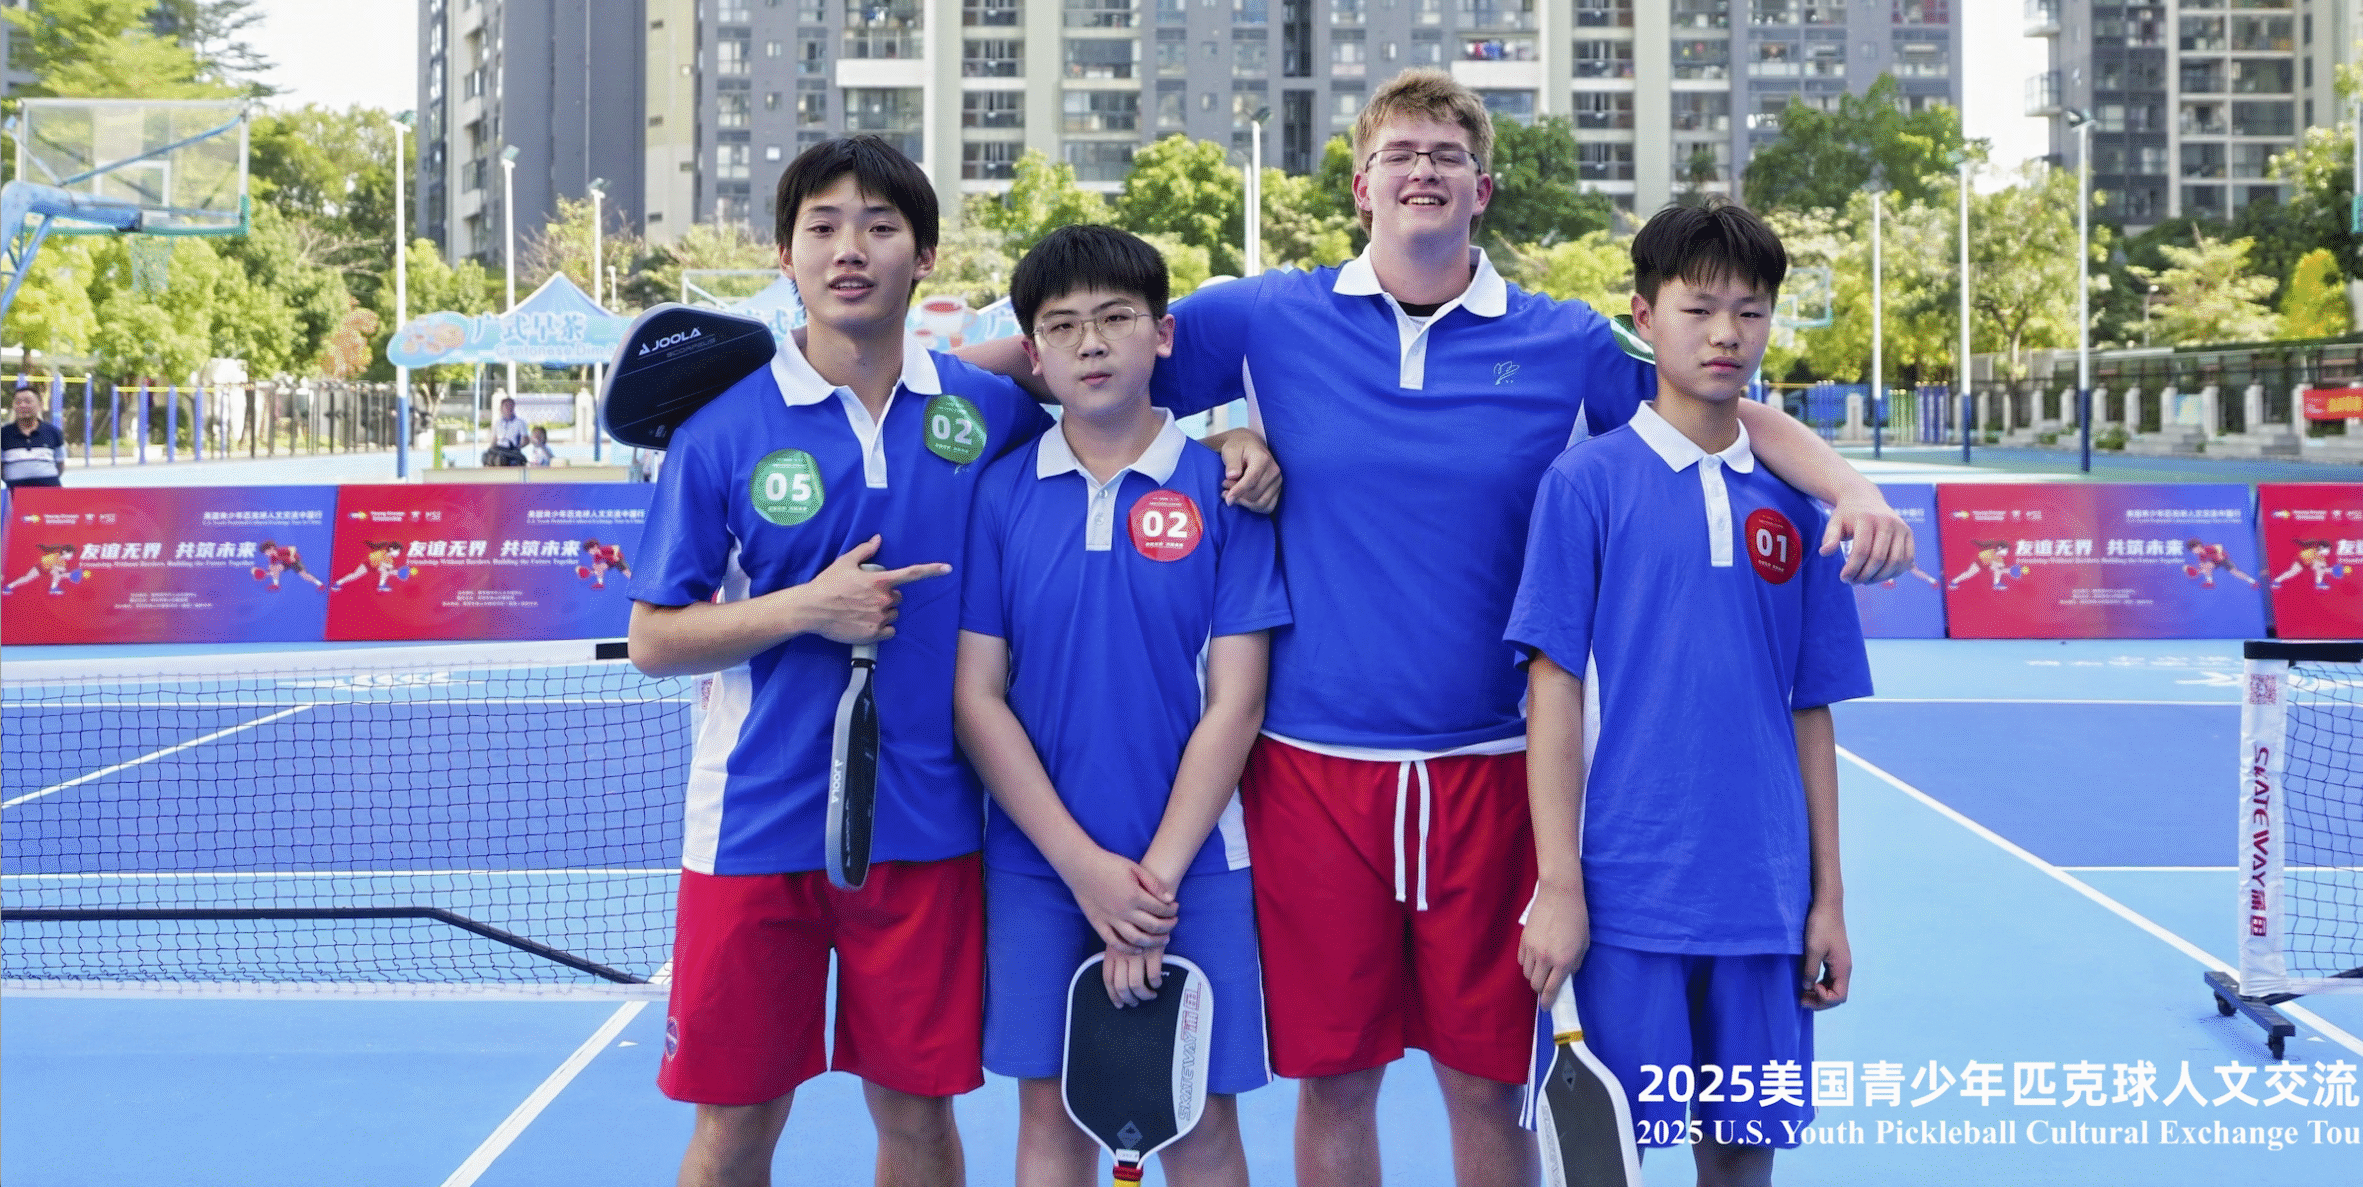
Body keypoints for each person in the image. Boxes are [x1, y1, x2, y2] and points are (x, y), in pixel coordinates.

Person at [961, 72, 1911, 1187]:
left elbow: (1714, 394)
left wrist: (1848, 485)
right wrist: (1198, 441)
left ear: (1482, 188)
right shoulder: (1267, 317)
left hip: (1490, 771)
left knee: (1485, 1080)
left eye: (1447, 154)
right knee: (1338, 1079)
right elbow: (1063, 363)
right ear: (1360, 185)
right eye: (1400, 152)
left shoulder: (1559, 341)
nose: (1423, 169)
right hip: (1314, 770)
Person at [624, 136, 1277, 1187]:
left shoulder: (985, 414)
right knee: (735, 1126)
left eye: (879, 227)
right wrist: (807, 608)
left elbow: (1085, 386)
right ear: (784, 256)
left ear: (923, 256)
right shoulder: (722, 431)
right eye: (822, 228)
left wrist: (1229, 439)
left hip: (928, 830)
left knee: (920, 1121)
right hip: (752, 824)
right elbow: (654, 637)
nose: (850, 249)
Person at [1510, 200, 1871, 1186]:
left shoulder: (1796, 507)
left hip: (1762, 897)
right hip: (1628, 897)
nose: (1724, 334)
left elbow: (1809, 709)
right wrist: (1559, 883)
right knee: (1607, 1161)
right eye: (1699, 307)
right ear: (1642, 314)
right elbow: (1553, 690)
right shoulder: (1584, 485)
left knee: (1741, 1157)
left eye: (1749, 312)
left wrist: (1827, 898)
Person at [955, 225, 1287, 1187]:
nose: (1091, 343)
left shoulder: (1228, 490)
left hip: (1197, 866)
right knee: (1049, 1127)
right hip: (1035, 864)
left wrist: (1150, 887)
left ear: (1164, 335)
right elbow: (978, 698)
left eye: (1114, 319)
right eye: (1062, 326)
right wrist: (1084, 870)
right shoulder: (1001, 494)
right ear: (1034, 356)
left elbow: (1239, 699)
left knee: (1199, 1124)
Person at [4, 384, 68, 489]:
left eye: (28, 401)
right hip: (16, 498)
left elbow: (60, 465)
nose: (22, 405)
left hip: (50, 496)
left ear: (40, 405)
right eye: (18, 402)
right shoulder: (3, 434)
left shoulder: (54, 432)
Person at [486, 396, 530, 467]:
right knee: (486, 457)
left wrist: (517, 447)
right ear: (501, 408)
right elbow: (494, 440)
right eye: (506, 405)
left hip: (512, 451)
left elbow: (526, 440)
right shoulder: (498, 423)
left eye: (511, 405)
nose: (509, 407)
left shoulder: (520, 422)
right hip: (499, 450)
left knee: (500, 459)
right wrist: (490, 450)